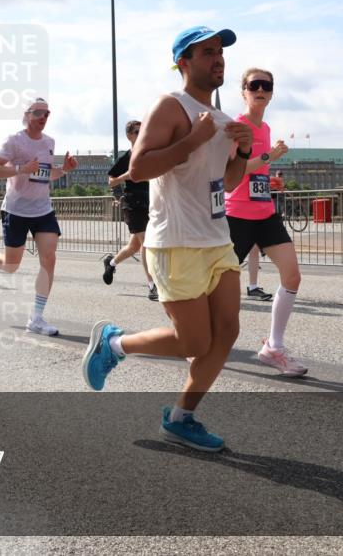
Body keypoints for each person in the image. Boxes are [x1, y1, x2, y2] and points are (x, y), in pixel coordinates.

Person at [82, 26, 253, 452]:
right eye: (207, 52)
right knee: (194, 342)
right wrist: (193, 140)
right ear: (184, 62)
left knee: (227, 332)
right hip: (174, 241)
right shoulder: (170, 106)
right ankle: (114, 343)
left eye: (221, 53)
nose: (218, 60)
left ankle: (181, 417)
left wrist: (244, 154)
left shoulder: (223, 120)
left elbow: (227, 183)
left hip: (216, 240)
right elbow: (138, 168)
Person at [0, 98, 78, 336]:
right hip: (16, 209)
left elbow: (46, 175)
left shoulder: (49, 142)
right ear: (27, 115)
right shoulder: (14, 141)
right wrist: (21, 169)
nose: (43, 117)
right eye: (38, 112)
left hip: (43, 209)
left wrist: (64, 170)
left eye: (46, 113)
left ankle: (36, 318)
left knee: (49, 259)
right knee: (11, 265)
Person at [225, 68, 306, 377]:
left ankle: (273, 346)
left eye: (266, 85)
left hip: (265, 213)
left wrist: (270, 181)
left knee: (293, 276)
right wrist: (270, 158)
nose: (260, 89)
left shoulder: (267, 127)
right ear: (243, 91)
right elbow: (233, 172)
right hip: (238, 215)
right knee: (220, 287)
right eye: (253, 85)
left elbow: (255, 171)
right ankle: (200, 343)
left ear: (271, 92)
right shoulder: (237, 126)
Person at [102, 120, 157, 301]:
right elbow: (111, 181)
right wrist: (128, 175)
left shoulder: (147, 154)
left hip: (149, 202)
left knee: (134, 246)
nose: (140, 133)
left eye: (143, 130)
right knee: (145, 244)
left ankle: (110, 263)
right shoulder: (125, 158)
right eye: (136, 131)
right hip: (132, 204)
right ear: (129, 135)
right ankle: (152, 285)